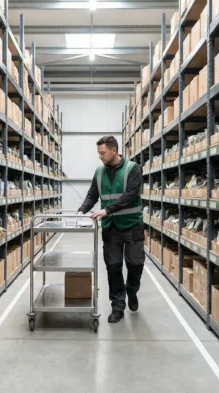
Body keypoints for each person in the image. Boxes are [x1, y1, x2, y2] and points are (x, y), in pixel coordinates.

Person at [77, 136, 144, 323]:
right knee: (113, 268)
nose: (100, 157)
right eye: (98, 153)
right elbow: (92, 195)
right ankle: (118, 306)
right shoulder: (99, 172)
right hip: (111, 229)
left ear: (114, 150)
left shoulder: (133, 169)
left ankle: (132, 289)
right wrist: (82, 211)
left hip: (132, 226)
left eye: (102, 153)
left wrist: (106, 210)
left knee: (135, 264)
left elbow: (130, 195)